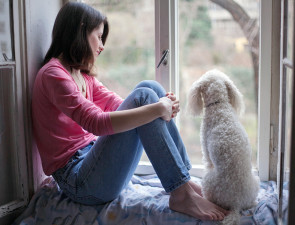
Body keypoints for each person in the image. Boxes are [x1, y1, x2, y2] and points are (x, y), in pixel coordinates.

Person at [32, 2, 228, 221]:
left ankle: (182, 181)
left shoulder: (81, 75)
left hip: (96, 166)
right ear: (80, 30)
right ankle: (181, 192)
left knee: (150, 88)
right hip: (80, 182)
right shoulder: (53, 75)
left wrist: (160, 105)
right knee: (146, 98)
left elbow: (119, 105)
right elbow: (95, 122)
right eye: (99, 36)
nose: (102, 46)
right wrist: (156, 108)